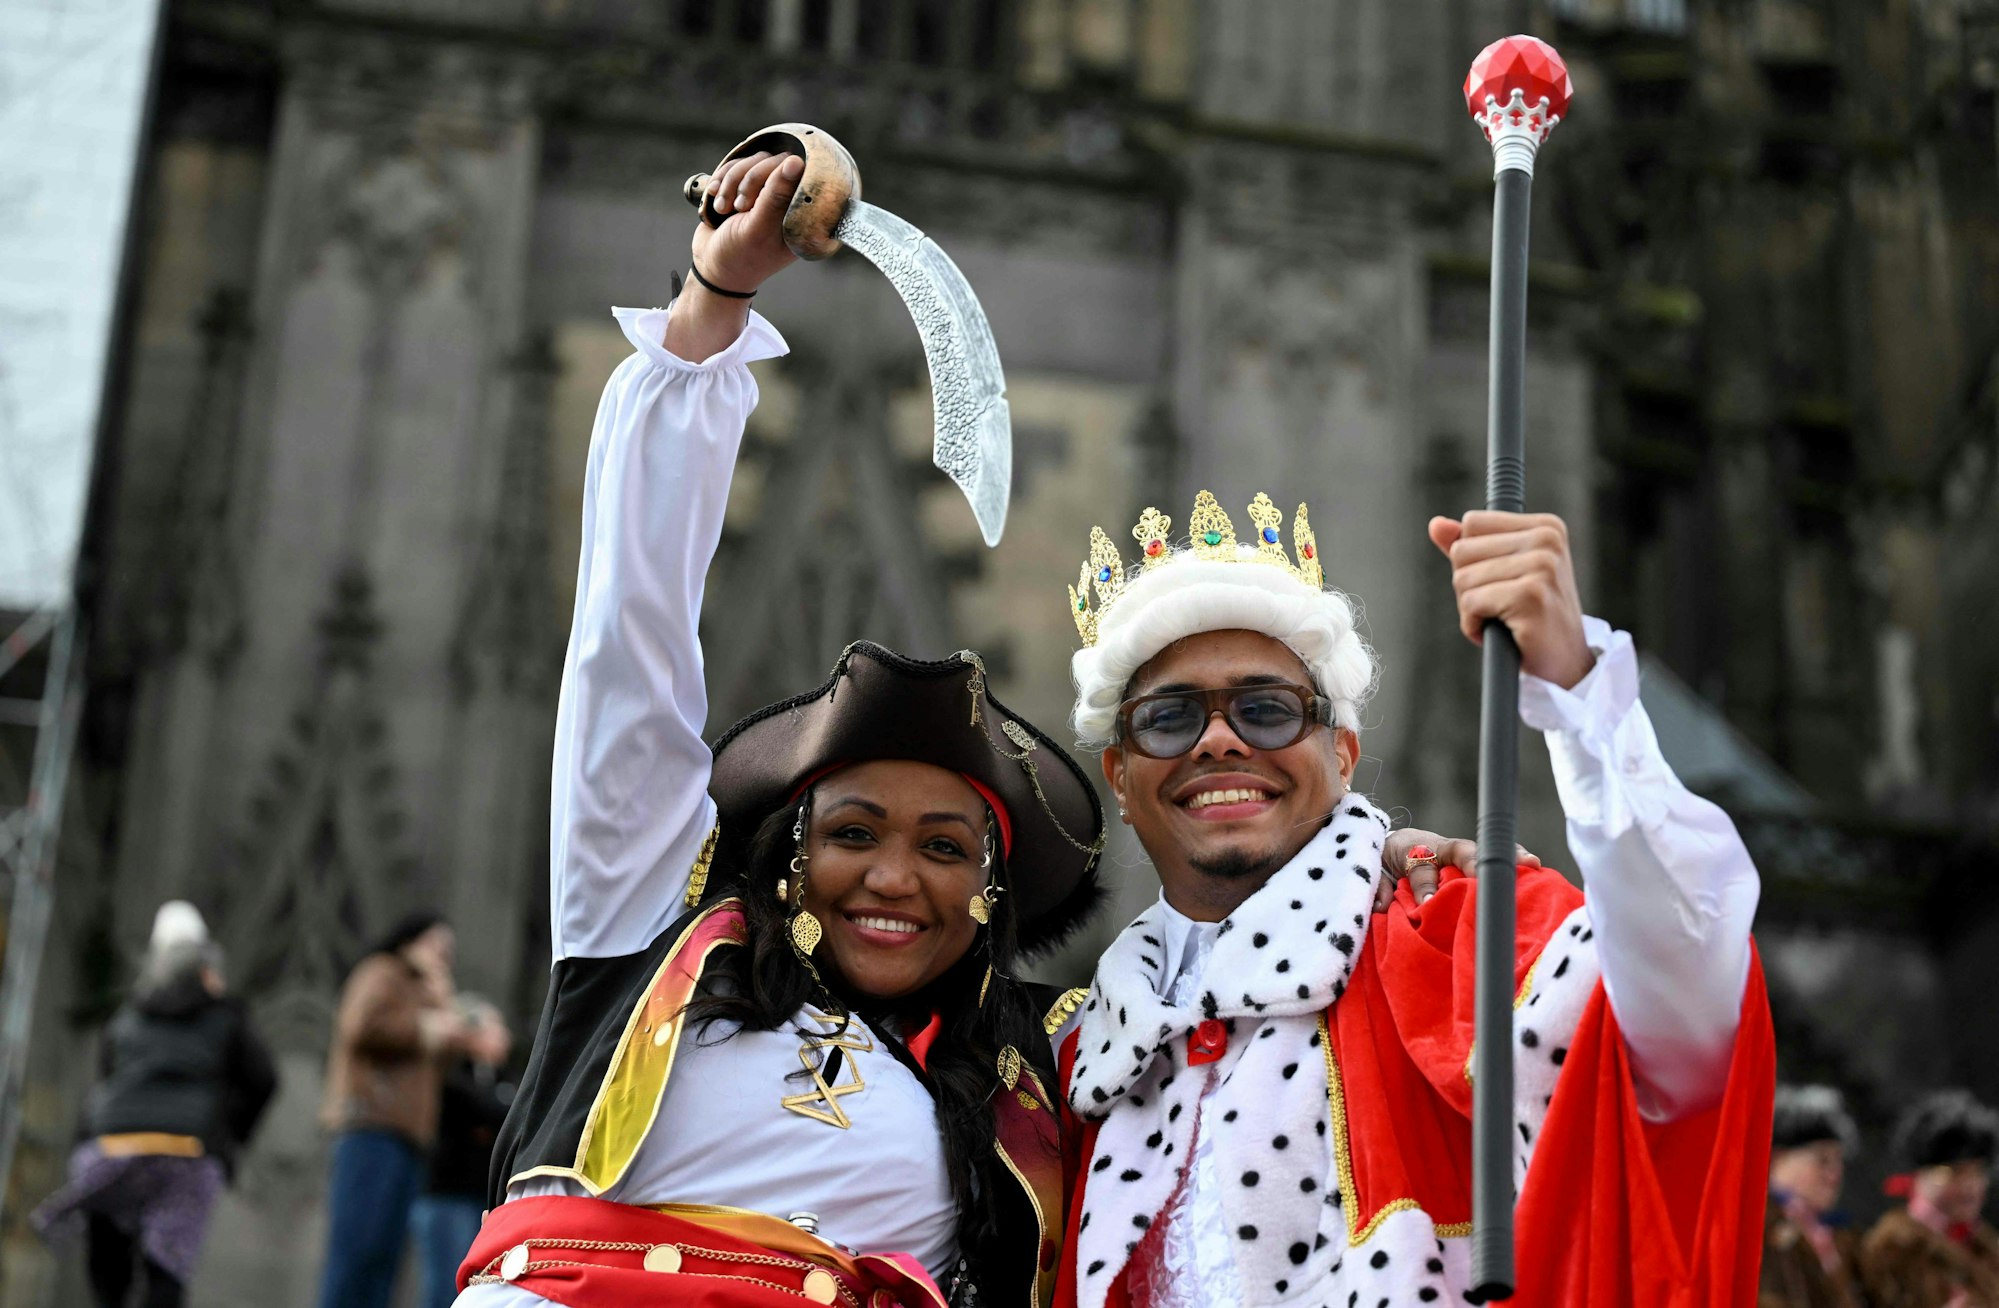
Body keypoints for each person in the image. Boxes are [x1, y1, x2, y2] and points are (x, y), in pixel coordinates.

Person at [449, 148, 1112, 1308]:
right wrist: (712, 310)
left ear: (991, 890)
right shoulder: (649, 936)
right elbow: (628, 643)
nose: (893, 877)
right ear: (791, 853)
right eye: (854, 831)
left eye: (945, 846)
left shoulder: (1024, 1094)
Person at [1049, 493, 1776, 1305]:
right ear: (1120, 777)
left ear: (1342, 755)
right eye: (1167, 718)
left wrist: (1577, 691)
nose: (1219, 740)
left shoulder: (1465, 935)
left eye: (1265, 710)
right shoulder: (1071, 1060)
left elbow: (1687, 1020)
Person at [33, 901, 277, 1308]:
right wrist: (229, 1133)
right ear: (206, 963)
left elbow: (106, 1080)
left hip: (113, 1147)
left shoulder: (127, 1015)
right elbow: (263, 1079)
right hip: (186, 1152)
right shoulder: (227, 1016)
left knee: (108, 1265)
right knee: (167, 1268)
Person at [318, 911, 503, 1308]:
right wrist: (425, 1025)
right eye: (436, 945)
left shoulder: (427, 991)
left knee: (385, 1260)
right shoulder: (383, 972)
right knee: (356, 1251)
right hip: (371, 1123)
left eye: (448, 951)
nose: (443, 956)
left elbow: (446, 1063)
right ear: (410, 942)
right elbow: (361, 1026)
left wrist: (443, 1002)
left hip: (410, 1136)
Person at [411, 996, 515, 1308]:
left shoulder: (504, 1078)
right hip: (449, 1196)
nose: (503, 1036)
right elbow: (489, 1110)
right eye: (493, 1028)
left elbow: (512, 1117)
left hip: (483, 1201)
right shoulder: (452, 1074)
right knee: (445, 1287)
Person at [1858, 1089, 1999, 1307]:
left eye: (1977, 1172)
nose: (1970, 1185)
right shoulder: (1889, 1251)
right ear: (1920, 1174)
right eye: (1955, 1171)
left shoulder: (1988, 1249)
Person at [1762, 1084, 1864, 1308]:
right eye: (1822, 1160)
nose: (1835, 1174)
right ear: (1778, 1158)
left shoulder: (1843, 1239)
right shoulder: (1755, 1229)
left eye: (1839, 1161)